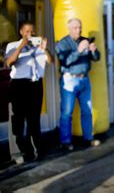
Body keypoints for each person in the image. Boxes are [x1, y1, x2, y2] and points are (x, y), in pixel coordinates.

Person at [5, 21, 53, 161]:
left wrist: (44, 49)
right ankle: (26, 151)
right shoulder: (12, 45)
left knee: (34, 119)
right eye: (27, 31)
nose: (30, 34)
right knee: (19, 120)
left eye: (32, 32)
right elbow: (9, 63)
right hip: (19, 85)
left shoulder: (38, 47)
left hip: (35, 85)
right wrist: (21, 47)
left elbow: (51, 61)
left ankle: (39, 149)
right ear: (21, 32)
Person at [55, 18, 101, 150]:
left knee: (87, 111)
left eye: (80, 27)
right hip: (69, 80)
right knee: (67, 112)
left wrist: (93, 51)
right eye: (75, 27)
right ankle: (66, 142)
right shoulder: (62, 44)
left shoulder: (85, 40)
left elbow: (97, 58)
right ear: (69, 29)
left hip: (84, 80)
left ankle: (88, 138)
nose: (79, 30)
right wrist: (79, 51)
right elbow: (65, 61)